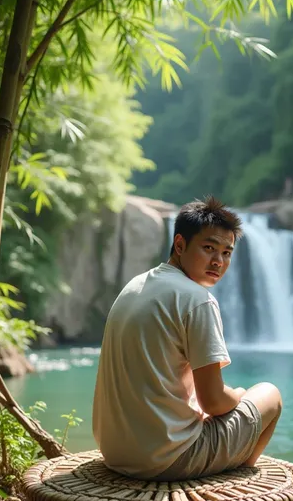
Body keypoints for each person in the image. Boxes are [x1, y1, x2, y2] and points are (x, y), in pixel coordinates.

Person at [92, 196, 282, 480]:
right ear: (180, 245)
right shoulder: (197, 300)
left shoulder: (135, 285)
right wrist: (239, 396)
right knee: (269, 394)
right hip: (167, 459)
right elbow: (214, 403)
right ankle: (235, 474)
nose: (218, 261)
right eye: (209, 248)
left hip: (115, 451)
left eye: (227, 253)